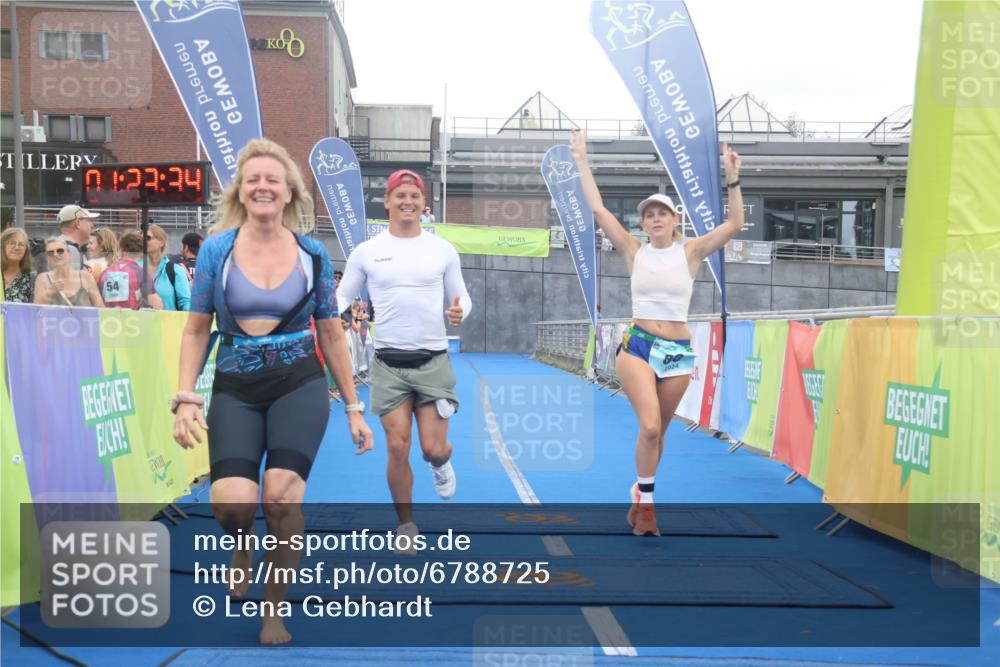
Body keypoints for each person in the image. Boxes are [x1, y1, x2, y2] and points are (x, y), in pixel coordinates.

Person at [171, 138, 373, 645]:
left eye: (273, 180)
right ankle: (242, 545)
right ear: (241, 190)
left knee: (281, 497)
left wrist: (353, 406)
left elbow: (331, 331)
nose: (263, 186)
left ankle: (273, 612)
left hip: (299, 383)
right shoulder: (217, 250)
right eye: (253, 179)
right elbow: (196, 329)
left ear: (289, 194)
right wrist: (185, 397)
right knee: (233, 506)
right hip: (235, 385)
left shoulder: (312, 254)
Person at [571, 129, 744, 536]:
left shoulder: (692, 251)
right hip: (639, 345)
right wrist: (581, 159)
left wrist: (733, 177)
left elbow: (735, 222)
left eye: (661, 213)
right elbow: (598, 210)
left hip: (678, 350)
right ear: (644, 222)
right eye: (649, 215)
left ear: (673, 219)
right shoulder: (634, 250)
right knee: (649, 427)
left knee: (659, 433)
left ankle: (641, 489)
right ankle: (647, 507)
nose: (655, 220)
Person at [337, 168, 470, 548]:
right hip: (388, 365)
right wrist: (327, 316)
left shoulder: (441, 249)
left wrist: (462, 312)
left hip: (433, 362)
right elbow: (342, 296)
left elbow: (461, 296)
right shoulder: (367, 251)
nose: (407, 202)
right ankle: (406, 525)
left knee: (432, 447)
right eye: (400, 195)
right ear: (388, 201)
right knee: (397, 446)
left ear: (423, 203)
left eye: (414, 196)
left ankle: (442, 463)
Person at [99, 230, 162, 310]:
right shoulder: (141, 273)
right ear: (142, 252)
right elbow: (156, 305)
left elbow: (97, 302)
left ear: (121, 250)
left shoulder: (105, 273)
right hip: (131, 320)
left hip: (109, 319)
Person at [33, 237, 104, 307]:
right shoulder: (42, 278)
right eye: (50, 253)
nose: (55, 254)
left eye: (60, 251)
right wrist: (49, 293)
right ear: (47, 258)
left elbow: (100, 308)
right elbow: (36, 312)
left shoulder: (85, 276)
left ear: (69, 254)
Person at [146, 223, 191, 310]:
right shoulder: (135, 269)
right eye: (140, 239)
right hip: (136, 322)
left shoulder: (175, 271)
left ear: (161, 242)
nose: (143, 241)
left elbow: (186, 303)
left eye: (148, 238)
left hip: (167, 323)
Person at [55, 204, 98, 270]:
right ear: (78, 223)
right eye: (89, 220)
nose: (92, 225)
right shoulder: (69, 251)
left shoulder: (56, 247)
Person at [1, 227, 35, 303]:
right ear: (3, 247)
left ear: (26, 250)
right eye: (12, 243)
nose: (16, 247)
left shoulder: (32, 279)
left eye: (21, 244)